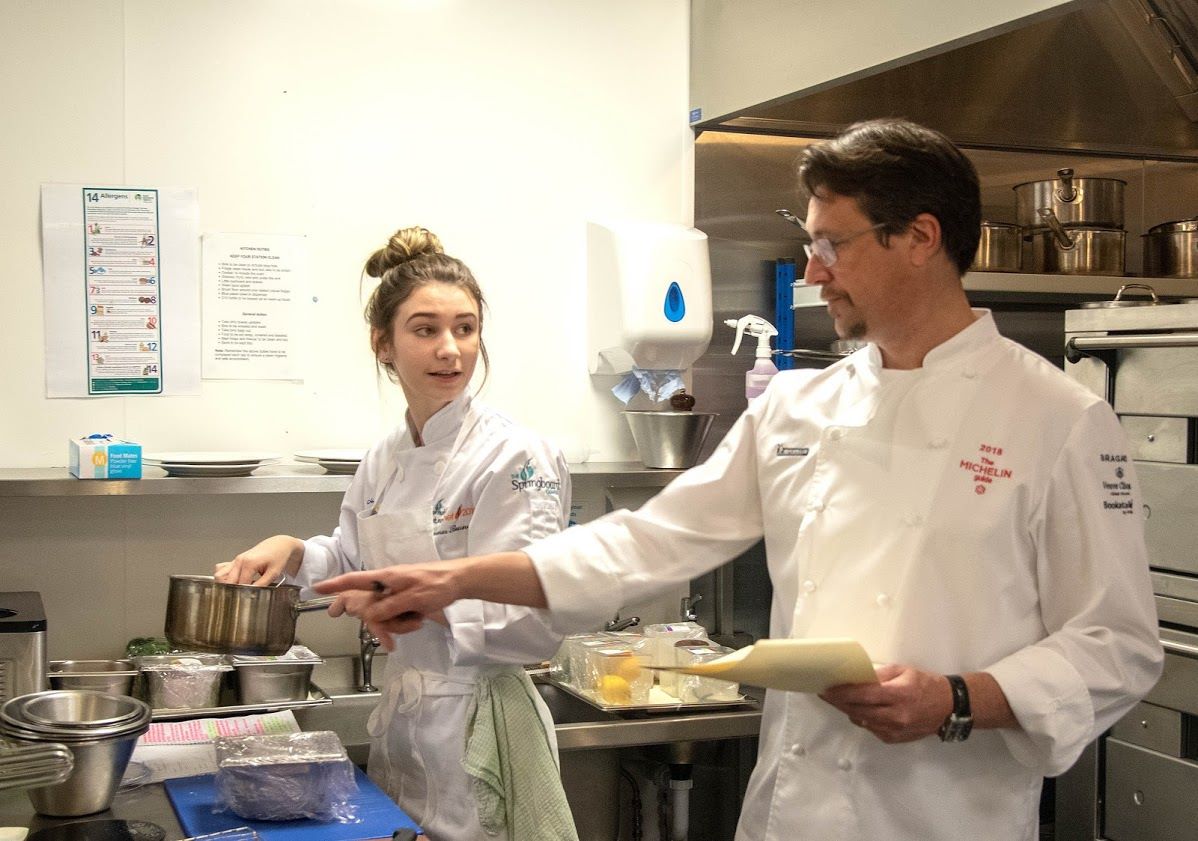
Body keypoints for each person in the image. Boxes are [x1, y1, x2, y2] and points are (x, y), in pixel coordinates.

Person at [314, 122, 1164, 841]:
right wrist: (458, 578)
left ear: (920, 238)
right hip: (789, 812)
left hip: (945, 813)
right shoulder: (798, 406)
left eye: (832, 245)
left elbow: (1117, 643)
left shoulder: (1057, 420)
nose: (813, 272)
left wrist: (959, 698)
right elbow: (648, 542)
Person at [215, 226, 578, 841]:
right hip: (405, 725)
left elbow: (532, 619)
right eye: (425, 330)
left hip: (481, 727)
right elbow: (354, 560)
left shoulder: (514, 456)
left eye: (465, 328)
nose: (450, 350)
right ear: (383, 343)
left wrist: (400, 598)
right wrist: (293, 551)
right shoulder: (384, 457)